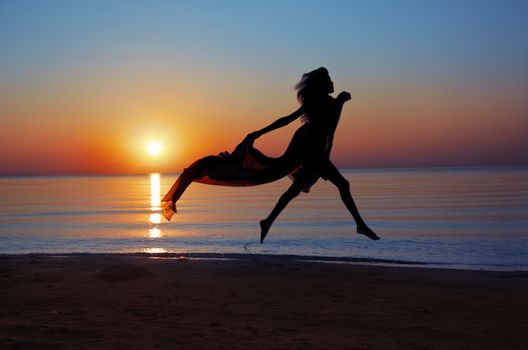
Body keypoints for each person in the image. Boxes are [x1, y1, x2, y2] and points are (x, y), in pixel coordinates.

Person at [161, 67, 380, 243]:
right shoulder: (320, 101)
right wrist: (259, 132)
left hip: (313, 148)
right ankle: (359, 225)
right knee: (342, 184)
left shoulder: (331, 101)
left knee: (297, 189)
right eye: (329, 80)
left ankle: (267, 222)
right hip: (309, 148)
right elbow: (287, 120)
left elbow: (330, 129)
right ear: (321, 85)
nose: (333, 82)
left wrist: (340, 102)